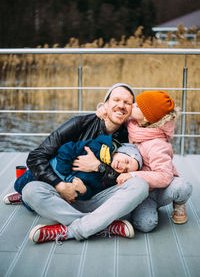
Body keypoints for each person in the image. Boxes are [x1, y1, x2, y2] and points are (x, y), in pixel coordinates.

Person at [6, 83, 150, 243]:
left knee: (140, 185)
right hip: (64, 194)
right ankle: (102, 225)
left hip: (97, 197)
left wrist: (99, 167)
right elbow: (36, 156)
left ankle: (78, 227)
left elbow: (156, 126)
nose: (121, 106)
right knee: (29, 191)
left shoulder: (130, 134)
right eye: (116, 100)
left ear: (131, 109)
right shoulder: (80, 123)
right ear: (105, 104)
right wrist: (60, 185)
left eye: (127, 103)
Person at [112, 90, 192, 231]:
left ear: (147, 118)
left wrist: (133, 175)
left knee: (182, 186)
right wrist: (102, 110)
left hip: (161, 189)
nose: (133, 105)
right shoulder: (133, 125)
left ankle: (179, 201)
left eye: (137, 106)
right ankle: (145, 206)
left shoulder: (157, 143)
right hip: (142, 192)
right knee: (145, 225)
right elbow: (114, 114)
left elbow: (164, 177)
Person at [10, 134, 142, 203]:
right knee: (19, 185)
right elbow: (67, 149)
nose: (122, 166)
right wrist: (64, 173)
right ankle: (21, 193)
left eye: (125, 170)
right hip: (53, 169)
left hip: (61, 188)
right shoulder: (97, 147)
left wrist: (84, 191)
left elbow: (94, 190)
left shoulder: (107, 179)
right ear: (120, 151)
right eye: (126, 161)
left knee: (29, 203)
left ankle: (24, 199)